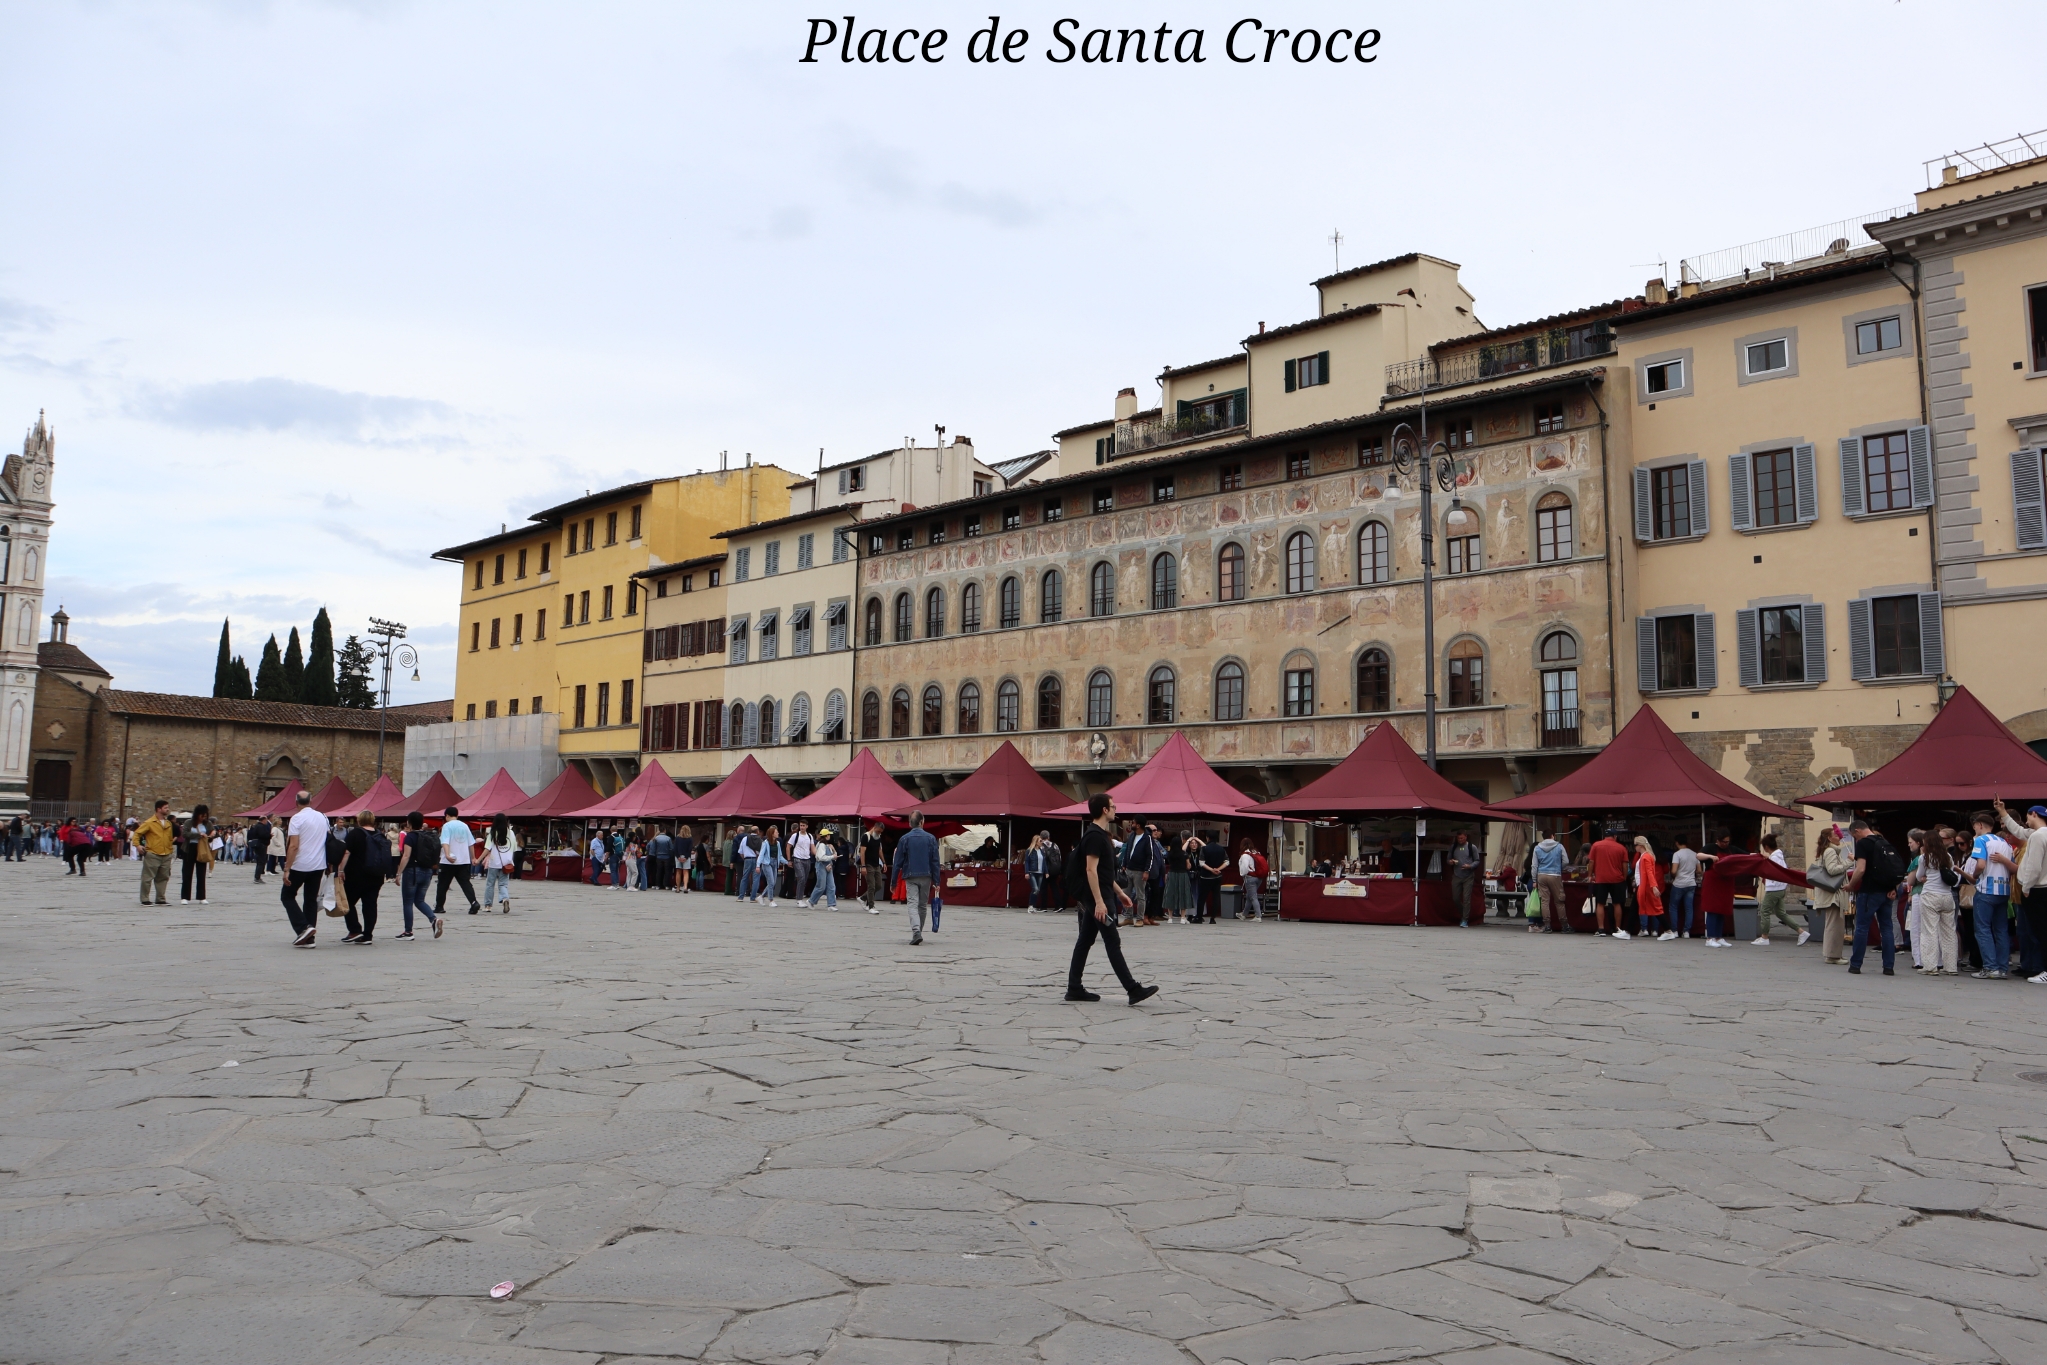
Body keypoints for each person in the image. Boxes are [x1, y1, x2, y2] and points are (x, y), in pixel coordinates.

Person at [1066, 793, 1159, 1004]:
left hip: (1102, 894)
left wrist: (1120, 892)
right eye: (1113, 806)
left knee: (1085, 940)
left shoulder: (1100, 835)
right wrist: (1099, 902)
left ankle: (1074, 987)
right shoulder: (1094, 837)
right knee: (1112, 941)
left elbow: (1104, 873)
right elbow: (1091, 870)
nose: (1116, 809)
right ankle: (1132, 989)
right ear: (1104, 810)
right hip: (1098, 897)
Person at [1993, 799, 2047, 983]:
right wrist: (2002, 811)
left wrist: (2026, 886)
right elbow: (2018, 831)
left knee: (2039, 932)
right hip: (2042, 887)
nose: (2026, 821)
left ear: (2034, 814)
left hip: (2036, 889)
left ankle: (2043, 969)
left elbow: (2033, 865)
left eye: (2028, 817)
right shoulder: (2039, 834)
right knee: (2039, 931)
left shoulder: (2038, 837)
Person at [1845, 817, 1904, 975]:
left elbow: (1861, 869)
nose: (1855, 839)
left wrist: (1851, 885)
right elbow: (1894, 867)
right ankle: (1888, 967)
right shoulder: (1884, 842)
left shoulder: (1864, 843)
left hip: (1869, 891)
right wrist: (1893, 887)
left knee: (1861, 928)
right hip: (1887, 891)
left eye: (1854, 835)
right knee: (1887, 928)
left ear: (1857, 830)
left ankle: (1856, 964)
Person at [1967, 810, 2015, 979]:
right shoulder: (2005, 843)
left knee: (1983, 929)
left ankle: (1990, 967)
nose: (1974, 830)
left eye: (1974, 827)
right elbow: (2012, 868)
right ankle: (2002, 968)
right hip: (2003, 890)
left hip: (1986, 889)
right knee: (2001, 930)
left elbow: (1980, 864)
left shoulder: (1981, 840)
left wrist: (1975, 875)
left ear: (1980, 825)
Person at [280, 790, 331, 947]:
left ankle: (303, 928)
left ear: (296, 802)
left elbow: (294, 845)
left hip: (300, 864)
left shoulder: (297, 818)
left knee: (287, 896)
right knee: (310, 900)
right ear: (311, 801)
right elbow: (328, 840)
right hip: (318, 865)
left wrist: (287, 868)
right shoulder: (323, 817)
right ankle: (309, 938)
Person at [335, 810, 392, 944]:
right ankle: (367, 935)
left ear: (359, 820)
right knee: (370, 905)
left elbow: (346, 852)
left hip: (356, 875)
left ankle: (355, 930)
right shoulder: (380, 835)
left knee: (347, 902)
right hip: (376, 875)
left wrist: (340, 869)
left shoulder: (355, 833)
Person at [1911, 829, 1961, 974]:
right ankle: (1951, 967)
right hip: (1947, 896)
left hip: (1930, 895)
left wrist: (1925, 877)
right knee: (1949, 932)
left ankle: (1930, 966)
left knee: (1929, 931)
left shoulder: (1924, 858)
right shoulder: (1948, 856)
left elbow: (1919, 876)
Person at [892, 811, 941, 944]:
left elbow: (897, 863)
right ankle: (919, 931)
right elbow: (935, 861)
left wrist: (893, 882)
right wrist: (937, 880)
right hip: (926, 876)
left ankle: (916, 931)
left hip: (911, 875)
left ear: (910, 823)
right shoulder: (931, 838)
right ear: (921, 822)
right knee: (922, 905)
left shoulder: (904, 839)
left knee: (912, 904)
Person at [1805, 827, 1852, 963]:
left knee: (1834, 925)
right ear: (1829, 838)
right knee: (1834, 926)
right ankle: (1832, 955)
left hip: (1832, 894)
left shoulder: (1828, 850)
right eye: (1835, 835)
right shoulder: (1830, 851)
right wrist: (1849, 862)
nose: (1839, 837)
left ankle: (1833, 954)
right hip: (1833, 895)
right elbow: (1832, 870)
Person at [393, 810, 442, 940]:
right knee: (419, 900)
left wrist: (398, 873)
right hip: (427, 871)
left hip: (412, 871)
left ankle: (408, 931)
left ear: (409, 823)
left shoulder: (410, 837)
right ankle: (433, 919)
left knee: (408, 902)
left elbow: (406, 856)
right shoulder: (429, 836)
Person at [1751, 832, 1803, 944]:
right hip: (1780, 888)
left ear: (1766, 847)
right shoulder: (1778, 856)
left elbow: (1771, 872)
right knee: (1781, 913)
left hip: (1773, 889)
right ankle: (1801, 931)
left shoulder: (1774, 858)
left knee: (1765, 911)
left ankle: (1764, 937)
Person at [435, 806, 483, 916]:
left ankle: (439, 906)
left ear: (447, 815)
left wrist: (447, 854)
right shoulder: (464, 826)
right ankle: (473, 902)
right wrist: (473, 857)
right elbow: (471, 843)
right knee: (465, 883)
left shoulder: (447, 826)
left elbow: (445, 842)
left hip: (449, 861)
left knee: (443, 884)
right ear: (457, 815)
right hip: (464, 860)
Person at [1587, 829, 1631, 938]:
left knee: (1600, 903)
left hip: (1601, 879)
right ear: (1615, 836)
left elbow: (1591, 861)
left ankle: (1601, 929)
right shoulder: (1621, 848)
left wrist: (1590, 875)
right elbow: (1625, 865)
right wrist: (1624, 877)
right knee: (1617, 903)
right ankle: (1618, 929)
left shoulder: (1596, 845)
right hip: (1617, 879)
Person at [135, 799, 177, 906]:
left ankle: (160, 898)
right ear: (158, 809)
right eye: (165, 808)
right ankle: (145, 898)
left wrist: (170, 851)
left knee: (163, 878)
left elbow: (169, 838)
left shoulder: (168, 823)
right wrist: (138, 845)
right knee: (147, 878)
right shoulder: (149, 822)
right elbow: (137, 834)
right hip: (153, 853)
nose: (168, 809)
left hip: (166, 854)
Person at [1529, 828, 1568, 934]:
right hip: (1555, 875)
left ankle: (1547, 925)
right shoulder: (1559, 846)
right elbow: (1566, 861)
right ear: (1553, 835)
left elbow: (1534, 865)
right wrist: (1559, 867)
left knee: (1544, 901)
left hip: (1541, 875)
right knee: (1559, 900)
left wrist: (1534, 879)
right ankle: (1564, 925)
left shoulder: (1537, 848)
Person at [480, 816, 518, 913]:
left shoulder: (493, 833)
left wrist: (478, 859)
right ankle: (505, 898)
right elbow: (514, 849)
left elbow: (487, 848)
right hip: (507, 863)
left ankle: (488, 906)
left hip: (494, 862)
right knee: (503, 884)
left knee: (490, 884)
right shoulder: (511, 833)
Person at [177, 804, 214, 903]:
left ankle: (201, 897)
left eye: (205, 816)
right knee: (187, 873)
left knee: (201, 874)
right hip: (189, 848)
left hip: (202, 848)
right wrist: (198, 835)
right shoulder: (189, 822)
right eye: (202, 816)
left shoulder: (208, 823)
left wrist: (211, 835)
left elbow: (212, 834)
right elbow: (185, 834)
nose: (203, 818)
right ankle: (185, 897)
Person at [1448, 829, 1482, 927]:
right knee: (1455, 898)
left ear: (1466, 837)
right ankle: (1464, 912)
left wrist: (1470, 866)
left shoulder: (1472, 847)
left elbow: (1477, 860)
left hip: (1468, 876)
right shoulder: (1453, 847)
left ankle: (1465, 919)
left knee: (1466, 898)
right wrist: (1451, 862)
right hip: (1457, 874)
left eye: (1462, 838)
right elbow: (1448, 859)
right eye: (1459, 838)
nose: (1460, 840)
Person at [1632, 835, 1664, 938]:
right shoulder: (1648, 856)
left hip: (1646, 886)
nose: (1634, 847)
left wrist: (1653, 886)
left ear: (1640, 845)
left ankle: (1645, 928)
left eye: (1635, 845)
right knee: (1651, 907)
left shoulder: (1645, 857)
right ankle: (1655, 929)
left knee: (1652, 908)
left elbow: (1649, 873)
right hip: (1647, 885)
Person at [1195, 832, 1229, 923]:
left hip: (1205, 877)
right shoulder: (1221, 849)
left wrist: (1211, 869)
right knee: (1216, 897)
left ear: (1207, 838)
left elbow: (1201, 863)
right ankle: (1213, 918)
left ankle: (1199, 917)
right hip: (1217, 877)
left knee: (1202, 897)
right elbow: (1227, 862)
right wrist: (1218, 869)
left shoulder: (1204, 848)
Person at [1162, 834, 1195, 925]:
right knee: (1183, 894)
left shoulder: (1169, 854)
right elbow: (1188, 866)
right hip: (1182, 874)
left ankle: (1170, 917)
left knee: (1171, 894)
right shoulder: (1184, 854)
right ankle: (1183, 918)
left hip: (1172, 874)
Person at [807, 826, 840, 909]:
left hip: (828, 866)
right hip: (821, 866)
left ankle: (831, 904)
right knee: (821, 886)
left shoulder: (826, 845)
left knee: (831, 886)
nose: (830, 836)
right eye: (828, 835)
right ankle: (811, 901)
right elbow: (821, 857)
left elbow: (831, 855)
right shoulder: (821, 845)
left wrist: (833, 852)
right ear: (826, 836)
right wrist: (832, 857)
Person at [1238, 839, 1267, 922]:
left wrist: (1242, 874)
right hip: (1259, 878)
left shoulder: (1245, 855)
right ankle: (1244, 914)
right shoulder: (1256, 852)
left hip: (1250, 878)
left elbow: (1245, 868)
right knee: (1249, 896)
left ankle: (1258, 916)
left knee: (1253, 897)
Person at [1024, 833, 1052, 912]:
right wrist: (1026, 872)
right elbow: (1027, 862)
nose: (1041, 842)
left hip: (1040, 873)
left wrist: (1046, 872)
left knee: (1037, 890)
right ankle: (1030, 905)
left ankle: (1033, 906)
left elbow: (1044, 862)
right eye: (1040, 841)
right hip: (1032, 872)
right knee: (1035, 889)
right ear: (1036, 842)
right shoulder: (1029, 850)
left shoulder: (1041, 851)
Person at [789, 821, 815, 903]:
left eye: (803, 825)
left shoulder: (809, 836)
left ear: (807, 826)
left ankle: (800, 897)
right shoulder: (795, 835)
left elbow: (812, 848)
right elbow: (788, 846)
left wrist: (818, 855)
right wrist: (789, 860)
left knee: (804, 880)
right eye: (801, 825)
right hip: (797, 859)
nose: (802, 827)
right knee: (801, 878)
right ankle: (799, 899)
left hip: (807, 859)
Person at [246, 814, 272, 884]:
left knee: (260, 862)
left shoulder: (256, 826)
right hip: (261, 845)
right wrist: (269, 835)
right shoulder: (261, 826)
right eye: (266, 820)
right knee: (261, 862)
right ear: (263, 820)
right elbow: (262, 835)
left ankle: (258, 877)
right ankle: (257, 878)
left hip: (258, 845)